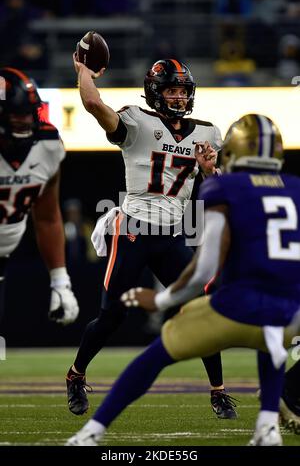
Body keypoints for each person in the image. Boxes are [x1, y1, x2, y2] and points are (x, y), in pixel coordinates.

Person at [66, 113, 300, 446]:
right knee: (273, 342)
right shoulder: (295, 187)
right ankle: (268, 426)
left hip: (234, 303)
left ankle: (91, 433)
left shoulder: (225, 186)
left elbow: (205, 266)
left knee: (157, 354)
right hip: (286, 313)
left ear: (231, 149)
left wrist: (161, 300)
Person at [66, 57, 237, 420]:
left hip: (173, 235)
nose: (178, 97)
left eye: (182, 91)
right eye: (172, 90)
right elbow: (95, 104)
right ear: (156, 93)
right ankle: (76, 374)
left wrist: (209, 171)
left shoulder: (206, 133)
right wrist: (84, 72)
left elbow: (218, 189)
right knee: (111, 317)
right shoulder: (136, 122)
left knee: (199, 310)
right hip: (133, 231)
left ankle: (219, 392)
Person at [0, 67, 79, 326]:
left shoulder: (47, 145)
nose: (24, 120)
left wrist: (60, 281)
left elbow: (47, 217)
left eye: (28, 112)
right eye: (16, 113)